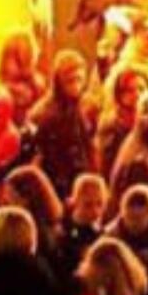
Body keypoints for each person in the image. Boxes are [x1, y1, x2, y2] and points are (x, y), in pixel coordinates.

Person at [33, 51, 95, 193]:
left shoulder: (79, 107)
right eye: (70, 81)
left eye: (79, 80)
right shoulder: (49, 115)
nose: (76, 86)